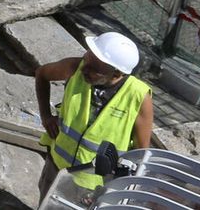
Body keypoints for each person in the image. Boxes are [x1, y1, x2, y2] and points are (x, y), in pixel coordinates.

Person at [34, 32, 154, 200]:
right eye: (87, 59)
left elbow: (140, 153)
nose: (84, 68)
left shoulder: (138, 97)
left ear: (117, 74)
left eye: (94, 69)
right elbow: (42, 74)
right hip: (57, 168)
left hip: (93, 187)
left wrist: (115, 191)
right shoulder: (75, 68)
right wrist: (46, 116)